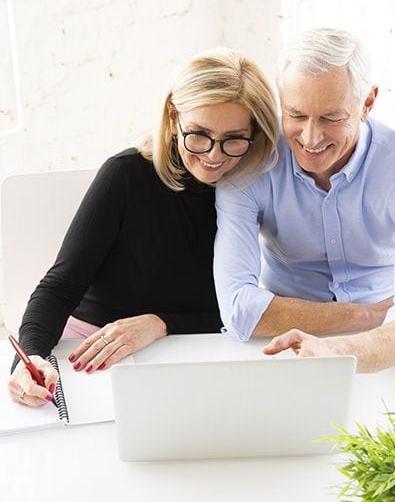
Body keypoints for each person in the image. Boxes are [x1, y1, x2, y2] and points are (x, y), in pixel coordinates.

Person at [8, 48, 279, 407]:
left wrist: (159, 323)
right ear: (173, 115)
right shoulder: (125, 175)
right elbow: (59, 287)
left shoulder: (254, 187)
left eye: (233, 138)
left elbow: (237, 309)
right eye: (198, 134)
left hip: (194, 352)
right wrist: (31, 356)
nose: (214, 156)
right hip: (92, 348)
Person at [214, 28, 395, 373]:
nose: (310, 137)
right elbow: (238, 308)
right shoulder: (250, 165)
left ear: (367, 103)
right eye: (295, 115)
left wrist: (339, 350)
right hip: (283, 342)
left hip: (380, 344)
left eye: (330, 117)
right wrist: (364, 314)